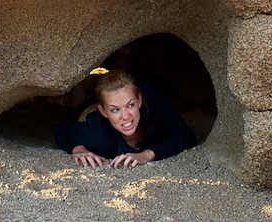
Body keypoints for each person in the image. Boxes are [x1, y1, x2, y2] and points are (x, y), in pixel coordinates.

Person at [55, 69, 195, 168]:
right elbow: (61, 131)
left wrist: (148, 154)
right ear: (103, 112)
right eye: (116, 110)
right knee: (76, 102)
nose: (126, 116)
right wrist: (78, 149)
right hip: (85, 110)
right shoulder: (96, 134)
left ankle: (124, 53)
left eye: (131, 105)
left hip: (113, 98)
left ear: (139, 100)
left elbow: (186, 136)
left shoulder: (150, 101)